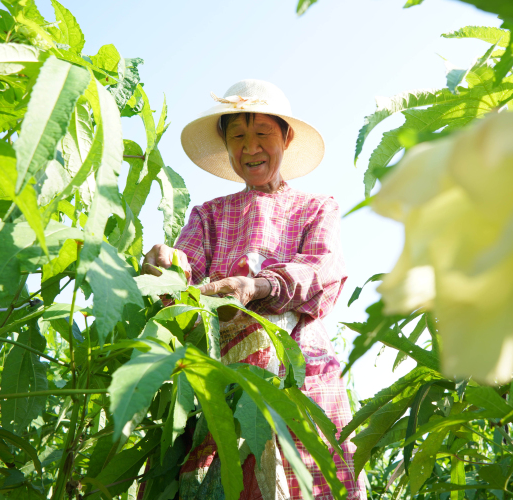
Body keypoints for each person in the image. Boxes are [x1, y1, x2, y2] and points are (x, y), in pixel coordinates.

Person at [142, 79, 366, 500]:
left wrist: (257, 285)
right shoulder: (207, 215)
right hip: (218, 372)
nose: (250, 148)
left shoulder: (317, 207)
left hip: (297, 370)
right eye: (238, 136)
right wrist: (165, 266)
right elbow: (182, 282)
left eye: (262, 133)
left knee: (311, 477)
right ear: (227, 145)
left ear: (286, 137)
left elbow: (323, 271)